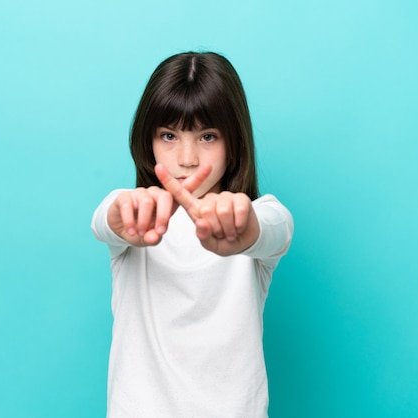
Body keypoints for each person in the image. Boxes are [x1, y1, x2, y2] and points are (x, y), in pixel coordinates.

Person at [91, 51, 294, 418]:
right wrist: (125, 219)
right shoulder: (132, 210)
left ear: (234, 143)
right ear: (146, 141)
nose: (187, 158)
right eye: (169, 135)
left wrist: (242, 227)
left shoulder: (260, 214)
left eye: (207, 136)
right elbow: (105, 219)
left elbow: (274, 230)